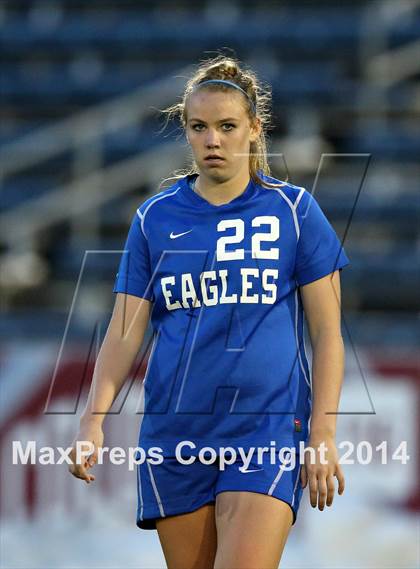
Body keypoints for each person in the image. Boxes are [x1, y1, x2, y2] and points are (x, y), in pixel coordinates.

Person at [69, 55, 349, 569]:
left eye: (226, 127)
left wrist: (323, 433)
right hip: (174, 434)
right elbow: (124, 332)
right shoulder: (154, 218)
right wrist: (93, 421)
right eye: (200, 127)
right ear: (186, 132)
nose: (213, 140)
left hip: (265, 428)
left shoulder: (294, 210)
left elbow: (328, 335)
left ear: (255, 130)